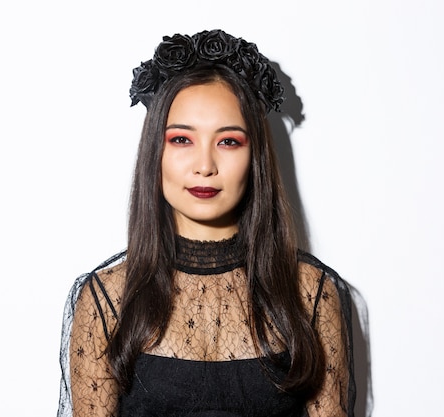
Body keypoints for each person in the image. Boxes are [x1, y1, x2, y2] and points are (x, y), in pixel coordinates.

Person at [57, 29, 356, 417]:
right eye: (182, 140)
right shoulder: (108, 300)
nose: (204, 166)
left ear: (256, 157)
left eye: (228, 141)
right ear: (156, 152)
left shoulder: (310, 295)